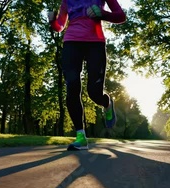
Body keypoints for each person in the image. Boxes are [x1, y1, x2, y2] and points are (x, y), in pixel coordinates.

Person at [48, 0, 127, 150]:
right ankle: (81, 136)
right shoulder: (66, 1)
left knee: (94, 93)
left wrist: (102, 14)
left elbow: (121, 16)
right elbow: (60, 26)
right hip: (71, 43)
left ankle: (107, 103)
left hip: (95, 43)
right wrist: (53, 21)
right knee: (72, 86)